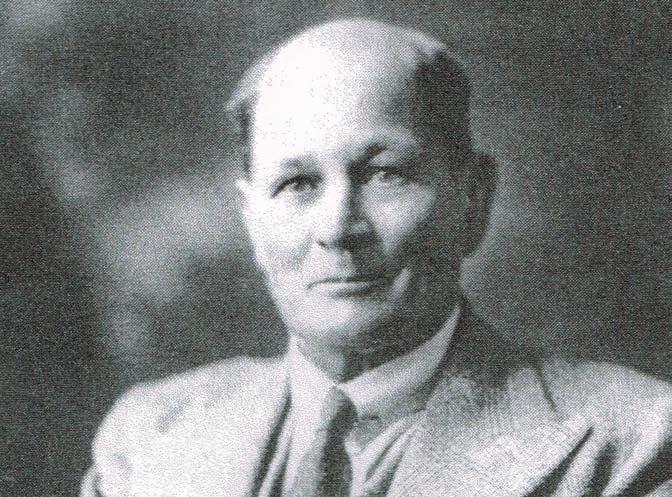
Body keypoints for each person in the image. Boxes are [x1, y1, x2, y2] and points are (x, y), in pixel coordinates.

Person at [81, 18, 671, 497]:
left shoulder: (630, 442)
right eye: (297, 184)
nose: (338, 229)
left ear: (472, 200)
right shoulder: (149, 438)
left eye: (384, 174)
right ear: (252, 224)